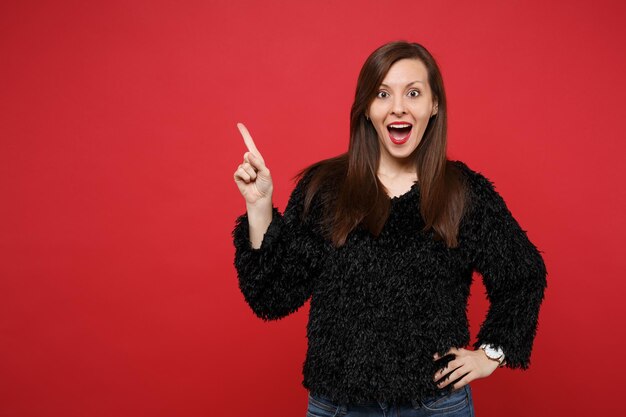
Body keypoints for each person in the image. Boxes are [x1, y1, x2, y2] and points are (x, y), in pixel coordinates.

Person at [231, 41, 547, 417]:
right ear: (367, 108)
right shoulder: (325, 188)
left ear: (434, 106)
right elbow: (272, 297)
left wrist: (491, 353)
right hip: (339, 408)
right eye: (383, 94)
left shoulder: (464, 193)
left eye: (413, 93)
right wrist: (259, 206)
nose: (398, 106)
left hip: (435, 406)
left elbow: (524, 274)